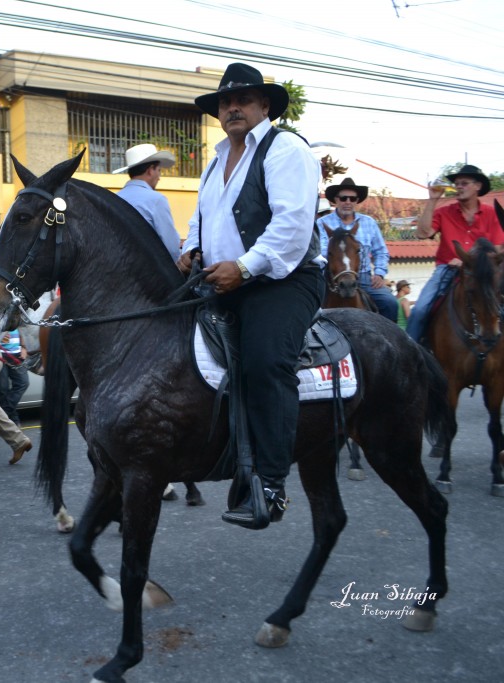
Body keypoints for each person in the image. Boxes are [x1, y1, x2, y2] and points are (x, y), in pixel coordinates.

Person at [178, 62, 323, 530]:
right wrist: (190, 250)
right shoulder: (216, 161)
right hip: (222, 281)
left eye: (243, 99)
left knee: (264, 361)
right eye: (225, 101)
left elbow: (291, 226)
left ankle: (272, 485)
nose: (233, 107)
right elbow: (201, 221)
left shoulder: (287, 150)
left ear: (265, 105)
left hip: (281, 281)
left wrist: (243, 267)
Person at [407, 164, 504, 343]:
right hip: (447, 268)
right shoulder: (444, 212)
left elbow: (498, 250)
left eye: (464, 183)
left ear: (478, 186)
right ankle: (409, 354)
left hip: (484, 272)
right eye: (457, 184)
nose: (459, 187)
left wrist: (469, 261)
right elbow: (422, 233)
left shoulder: (491, 214)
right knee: (420, 309)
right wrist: (432, 200)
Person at [317, 178, 397, 321]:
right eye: (343, 198)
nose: (348, 202)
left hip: (364, 276)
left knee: (390, 303)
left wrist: (379, 273)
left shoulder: (369, 222)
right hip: (329, 278)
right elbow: (321, 251)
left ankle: (394, 341)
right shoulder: (322, 223)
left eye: (352, 198)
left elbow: (381, 251)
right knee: (309, 306)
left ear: (356, 201)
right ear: (335, 200)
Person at [113, 143, 181, 261]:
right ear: (150, 171)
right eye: (159, 171)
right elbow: (172, 249)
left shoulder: (115, 198)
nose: (159, 177)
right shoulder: (156, 200)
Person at [0, 328, 29, 426]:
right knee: (2, 389)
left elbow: (21, 329)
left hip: (17, 354)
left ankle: (3, 414)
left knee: (23, 383)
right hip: (0, 353)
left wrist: (24, 347)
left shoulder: (16, 314)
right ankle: (13, 419)